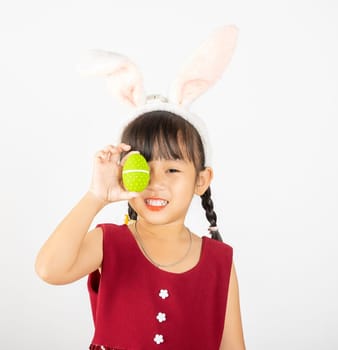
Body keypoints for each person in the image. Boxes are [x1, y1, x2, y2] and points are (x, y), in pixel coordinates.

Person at [35, 25, 245, 349]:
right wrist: (96, 196)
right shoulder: (110, 242)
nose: (156, 183)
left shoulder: (220, 262)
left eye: (172, 168)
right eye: (142, 168)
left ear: (200, 180)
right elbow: (50, 269)